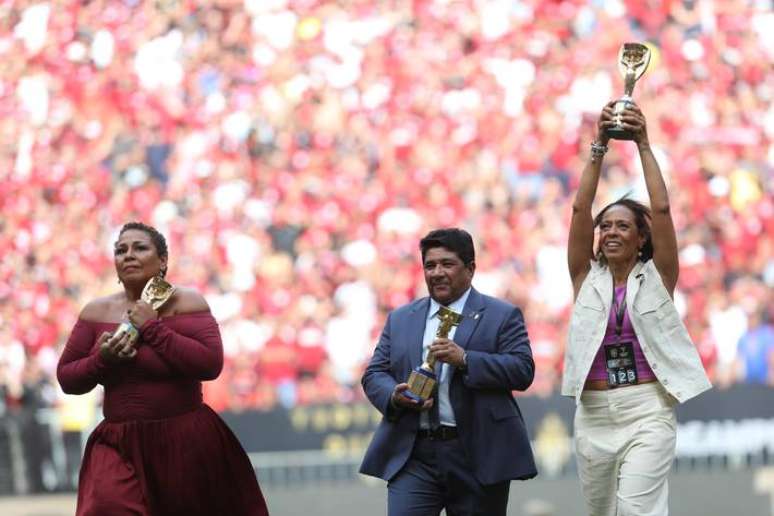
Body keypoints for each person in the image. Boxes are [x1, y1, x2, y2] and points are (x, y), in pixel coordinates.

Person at [57, 222, 269, 516]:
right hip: (118, 443)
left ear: (163, 261)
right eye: (121, 250)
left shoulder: (188, 303)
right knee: (106, 507)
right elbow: (67, 378)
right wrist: (101, 360)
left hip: (185, 443)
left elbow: (210, 364)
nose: (128, 255)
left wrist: (153, 328)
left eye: (139, 248)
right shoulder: (96, 312)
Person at [562, 102, 712, 516]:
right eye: (605, 225)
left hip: (646, 408)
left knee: (636, 513)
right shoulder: (584, 277)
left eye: (622, 225)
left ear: (641, 239)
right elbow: (579, 210)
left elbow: (661, 210)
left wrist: (643, 144)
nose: (610, 231)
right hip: (592, 413)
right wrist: (599, 144)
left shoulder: (659, 278)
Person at [360, 228, 537, 516]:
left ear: (471, 269)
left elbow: (522, 370)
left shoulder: (501, 315)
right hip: (414, 453)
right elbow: (374, 374)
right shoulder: (402, 318)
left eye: (447, 264)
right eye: (430, 265)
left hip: (477, 454)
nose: (437, 272)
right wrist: (394, 395)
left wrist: (466, 359)